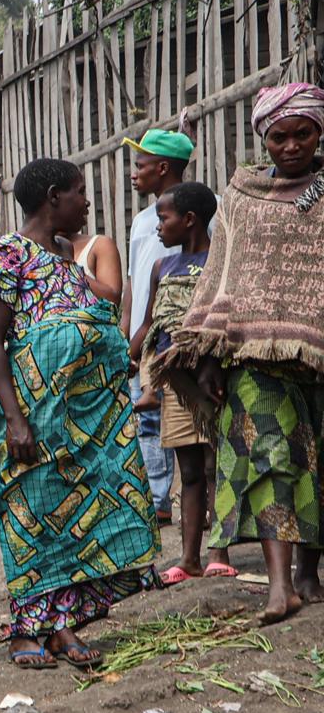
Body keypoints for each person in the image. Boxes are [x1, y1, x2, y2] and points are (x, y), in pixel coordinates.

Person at [0, 158, 157, 668]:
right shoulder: (8, 255)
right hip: (31, 415)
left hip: (82, 423)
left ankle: (63, 627)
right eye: (80, 192)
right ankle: (25, 630)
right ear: (53, 196)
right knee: (32, 517)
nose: (87, 203)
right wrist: (15, 419)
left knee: (77, 518)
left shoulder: (67, 259)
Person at [166, 84, 324, 622]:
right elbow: (222, 278)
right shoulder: (240, 198)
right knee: (270, 457)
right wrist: (208, 355)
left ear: (318, 131)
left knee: (316, 458)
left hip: (317, 356)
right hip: (254, 358)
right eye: (279, 136)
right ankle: (281, 585)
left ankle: (308, 570)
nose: (291, 146)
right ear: (263, 137)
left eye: (303, 133)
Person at [133, 180, 233, 585]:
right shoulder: (163, 267)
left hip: (213, 381)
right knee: (188, 471)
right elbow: (150, 323)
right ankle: (189, 557)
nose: (158, 226)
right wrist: (130, 356)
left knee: (216, 466)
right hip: (175, 385)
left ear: (189, 219)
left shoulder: (220, 263)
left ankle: (219, 550)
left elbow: (226, 320)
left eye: (164, 217)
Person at [126, 128, 196, 524]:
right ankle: (158, 500)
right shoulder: (141, 221)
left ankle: (201, 502)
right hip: (145, 335)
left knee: (194, 419)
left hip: (185, 337)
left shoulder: (208, 207)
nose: (135, 174)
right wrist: (127, 331)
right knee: (149, 419)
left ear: (163, 168)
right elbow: (136, 281)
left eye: (141, 166)